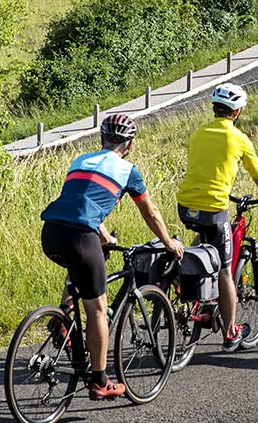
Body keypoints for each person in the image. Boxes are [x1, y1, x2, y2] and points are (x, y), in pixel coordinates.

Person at [39, 112, 183, 400]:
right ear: (128, 145)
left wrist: (105, 238)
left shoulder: (80, 161)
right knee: (98, 310)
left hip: (51, 232)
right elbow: (150, 212)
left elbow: (82, 202)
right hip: (81, 237)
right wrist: (168, 242)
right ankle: (100, 381)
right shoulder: (128, 170)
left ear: (102, 138)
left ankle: (63, 316)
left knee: (80, 265)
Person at [175, 82, 258, 352]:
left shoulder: (197, 134)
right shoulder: (239, 139)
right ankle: (229, 333)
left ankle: (186, 288)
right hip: (214, 208)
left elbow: (206, 169)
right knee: (225, 270)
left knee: (201, 248)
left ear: (215, 108)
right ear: (236, 112)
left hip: (186, 205)